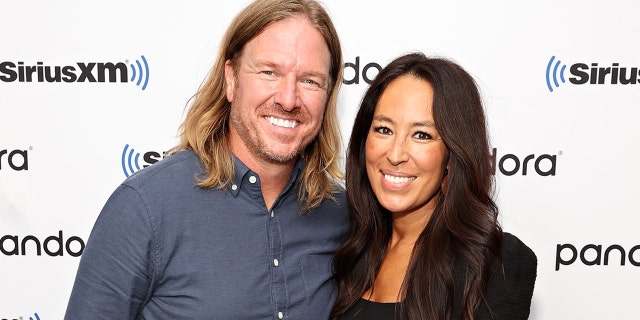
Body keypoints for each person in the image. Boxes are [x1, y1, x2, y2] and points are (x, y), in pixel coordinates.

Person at [64, 0, 347, 319]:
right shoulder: (145, 208)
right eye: (269, 72)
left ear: (328, 92)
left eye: (310, 80)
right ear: (231, 78)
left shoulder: (342, 214)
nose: (288, 99)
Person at [330, 53, 537, 320]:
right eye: (383, 129)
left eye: (422, 135)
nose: (395, 154)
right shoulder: (349, 248)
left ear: (452, 155)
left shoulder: (494, 263)